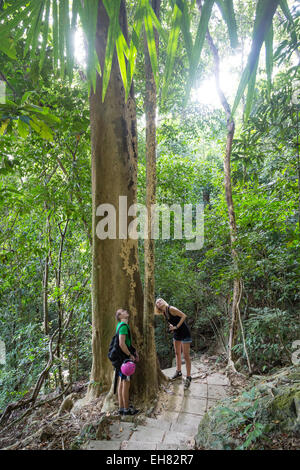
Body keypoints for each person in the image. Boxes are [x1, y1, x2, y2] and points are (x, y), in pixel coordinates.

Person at [155, 298, 192, 389]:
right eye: (157, 302)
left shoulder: (171, 308)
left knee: (186, 356)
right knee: (177, 353)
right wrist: (172, 327)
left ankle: (188, 377)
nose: (159, 301)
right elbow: (172, 321)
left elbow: (184, 316)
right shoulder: (164, 313)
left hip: (184, 332)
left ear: (164, 301)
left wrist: (176, 326)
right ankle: (178, 371)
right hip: (176, 333)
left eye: (160, 300)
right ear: (157, 307)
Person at [115, 308, 139, 415]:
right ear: (120, 316)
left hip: (119, 359)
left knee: (121, 382)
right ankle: (126, 409)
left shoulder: (120, 325)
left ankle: (121, 408)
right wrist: (130, 355)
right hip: (124, 359)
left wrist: (134, 351)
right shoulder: (123, 327)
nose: (125, 311)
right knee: (126, 384)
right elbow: (121, 343)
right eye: (123, 311)